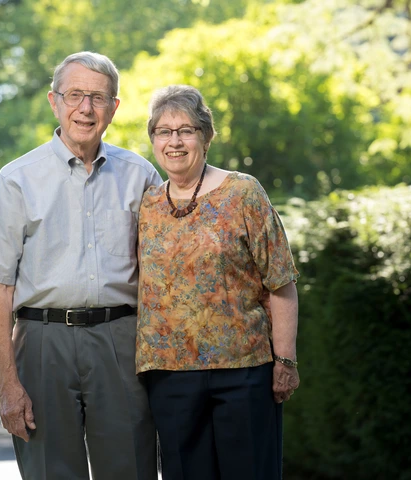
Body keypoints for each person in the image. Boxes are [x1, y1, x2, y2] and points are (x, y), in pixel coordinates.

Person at [0, 51, 162, 480]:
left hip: (122, 342)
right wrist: (7, 385)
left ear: (114, 107)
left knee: (131, 466)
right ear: (54, 101)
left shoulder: (141, 176)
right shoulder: (15, 180)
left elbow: (164, 274)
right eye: (74, 95)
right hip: (40, 344)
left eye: (97, 97)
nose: (85, 109)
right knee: (51, 472)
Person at [136, 84, 300, 480]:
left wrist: (286, 360)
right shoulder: (147, 205)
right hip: (170, 377)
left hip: (244, 373)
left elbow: (281, 282)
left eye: (186, 130)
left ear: (206, 137)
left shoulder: (243, 192)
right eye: (164, 131)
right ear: (154, 140)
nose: (174, 141)